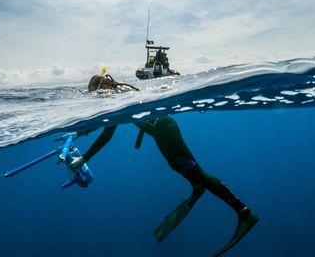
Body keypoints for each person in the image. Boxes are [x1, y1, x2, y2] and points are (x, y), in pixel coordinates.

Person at [72, 78, 259, 255]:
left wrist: (84, 159)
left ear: (103, 86)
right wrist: (82, 131)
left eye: (96, 92)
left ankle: (244, 212)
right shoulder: (121, 92)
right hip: (161, 131)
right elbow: (110, 123)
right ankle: (197, 187)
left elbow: (107, 133)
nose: (97, 97)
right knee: (177, 165)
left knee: (198, 172)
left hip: (165, 130)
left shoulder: (117, 95)